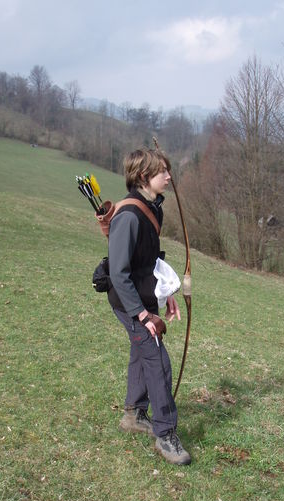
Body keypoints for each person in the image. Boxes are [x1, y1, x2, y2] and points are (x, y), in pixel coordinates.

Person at [107, 147, 191, 466]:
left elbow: (150, 260)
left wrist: (165, 292)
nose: (169, 177)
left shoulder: (153, 208)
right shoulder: (128, 216)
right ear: (144, 177)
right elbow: (119, 272)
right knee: (156, 357)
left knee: (141, 350)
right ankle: (165, 433)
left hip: (144, 293)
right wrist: (142, 315)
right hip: (126, 297)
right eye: (162, 172)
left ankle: (134, 413)